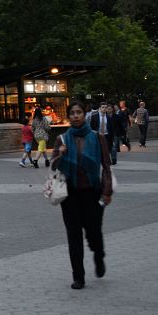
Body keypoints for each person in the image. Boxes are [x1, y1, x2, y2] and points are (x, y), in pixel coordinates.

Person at [50, 102, 113, 289]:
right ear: (69, 117)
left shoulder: (97, 137)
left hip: (93, 193)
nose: (75, 116)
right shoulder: (62, 139)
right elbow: (53, 165)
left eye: (79, 112)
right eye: (72, 113)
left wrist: (107, 191)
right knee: (74, 235)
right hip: (70, 195)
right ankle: (78, 276)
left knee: (94, 232)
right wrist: (60, 155)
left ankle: (99, 255)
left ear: (84, 115)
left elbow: (106, 166)